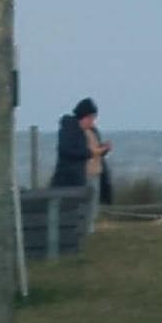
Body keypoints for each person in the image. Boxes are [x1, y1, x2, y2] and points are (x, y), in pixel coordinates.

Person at [50, 96, 111, 233]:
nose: (92, 121)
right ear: (84, 116)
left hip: (95, 172)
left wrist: (103, 150)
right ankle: (79, 230)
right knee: (79, 206)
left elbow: (94, 151)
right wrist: (91, 153)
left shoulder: (93, 131)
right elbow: (69, 150)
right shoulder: (69, 130)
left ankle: (88, 229)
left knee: (92, 206)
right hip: (77, 175)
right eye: (90, 118)